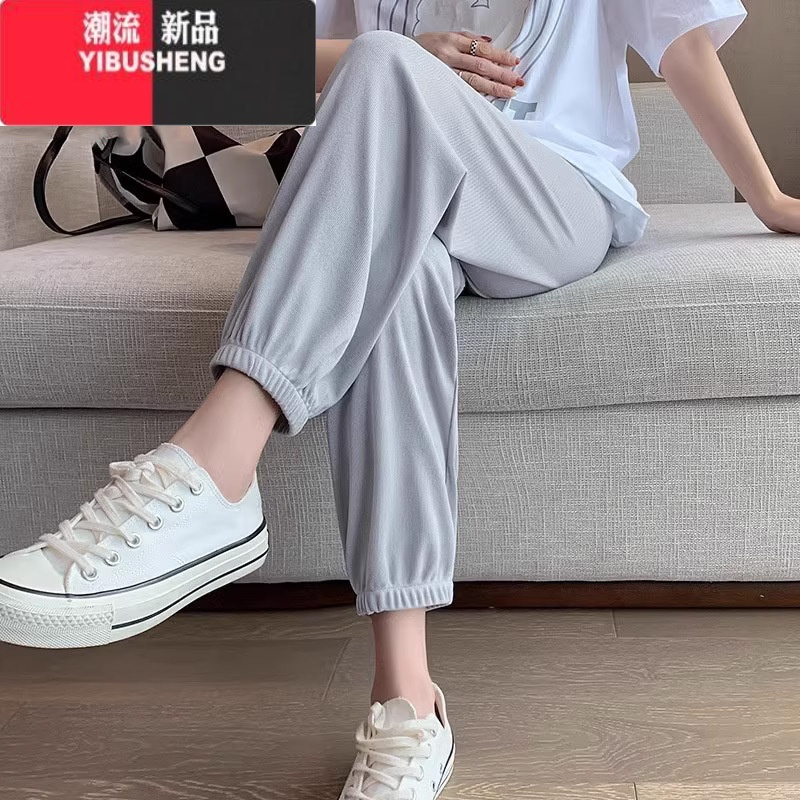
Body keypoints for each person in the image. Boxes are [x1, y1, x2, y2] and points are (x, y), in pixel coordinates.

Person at [2, 0, 799, 797]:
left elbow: (684, 47)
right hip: (404, 186)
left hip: (549, 191)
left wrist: (764, 196)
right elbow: (204, 55)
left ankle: (215, 465)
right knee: (400, 261)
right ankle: (407, 701)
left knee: (383, 58)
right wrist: (400, 58)